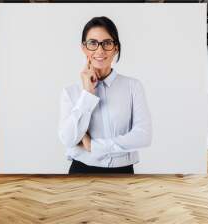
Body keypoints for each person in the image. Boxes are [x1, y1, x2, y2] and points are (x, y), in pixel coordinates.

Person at [59, 16, 152, 174]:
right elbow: (68, 139)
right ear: (84, 48)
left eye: (107, 43)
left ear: (116, 48)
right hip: (81, 172)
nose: (100, 50)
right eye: (93, 43)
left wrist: (93, 146)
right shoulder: (71, 92)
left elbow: (143, 136)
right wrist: (87, 94)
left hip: (123, 173)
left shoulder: (133, 87)